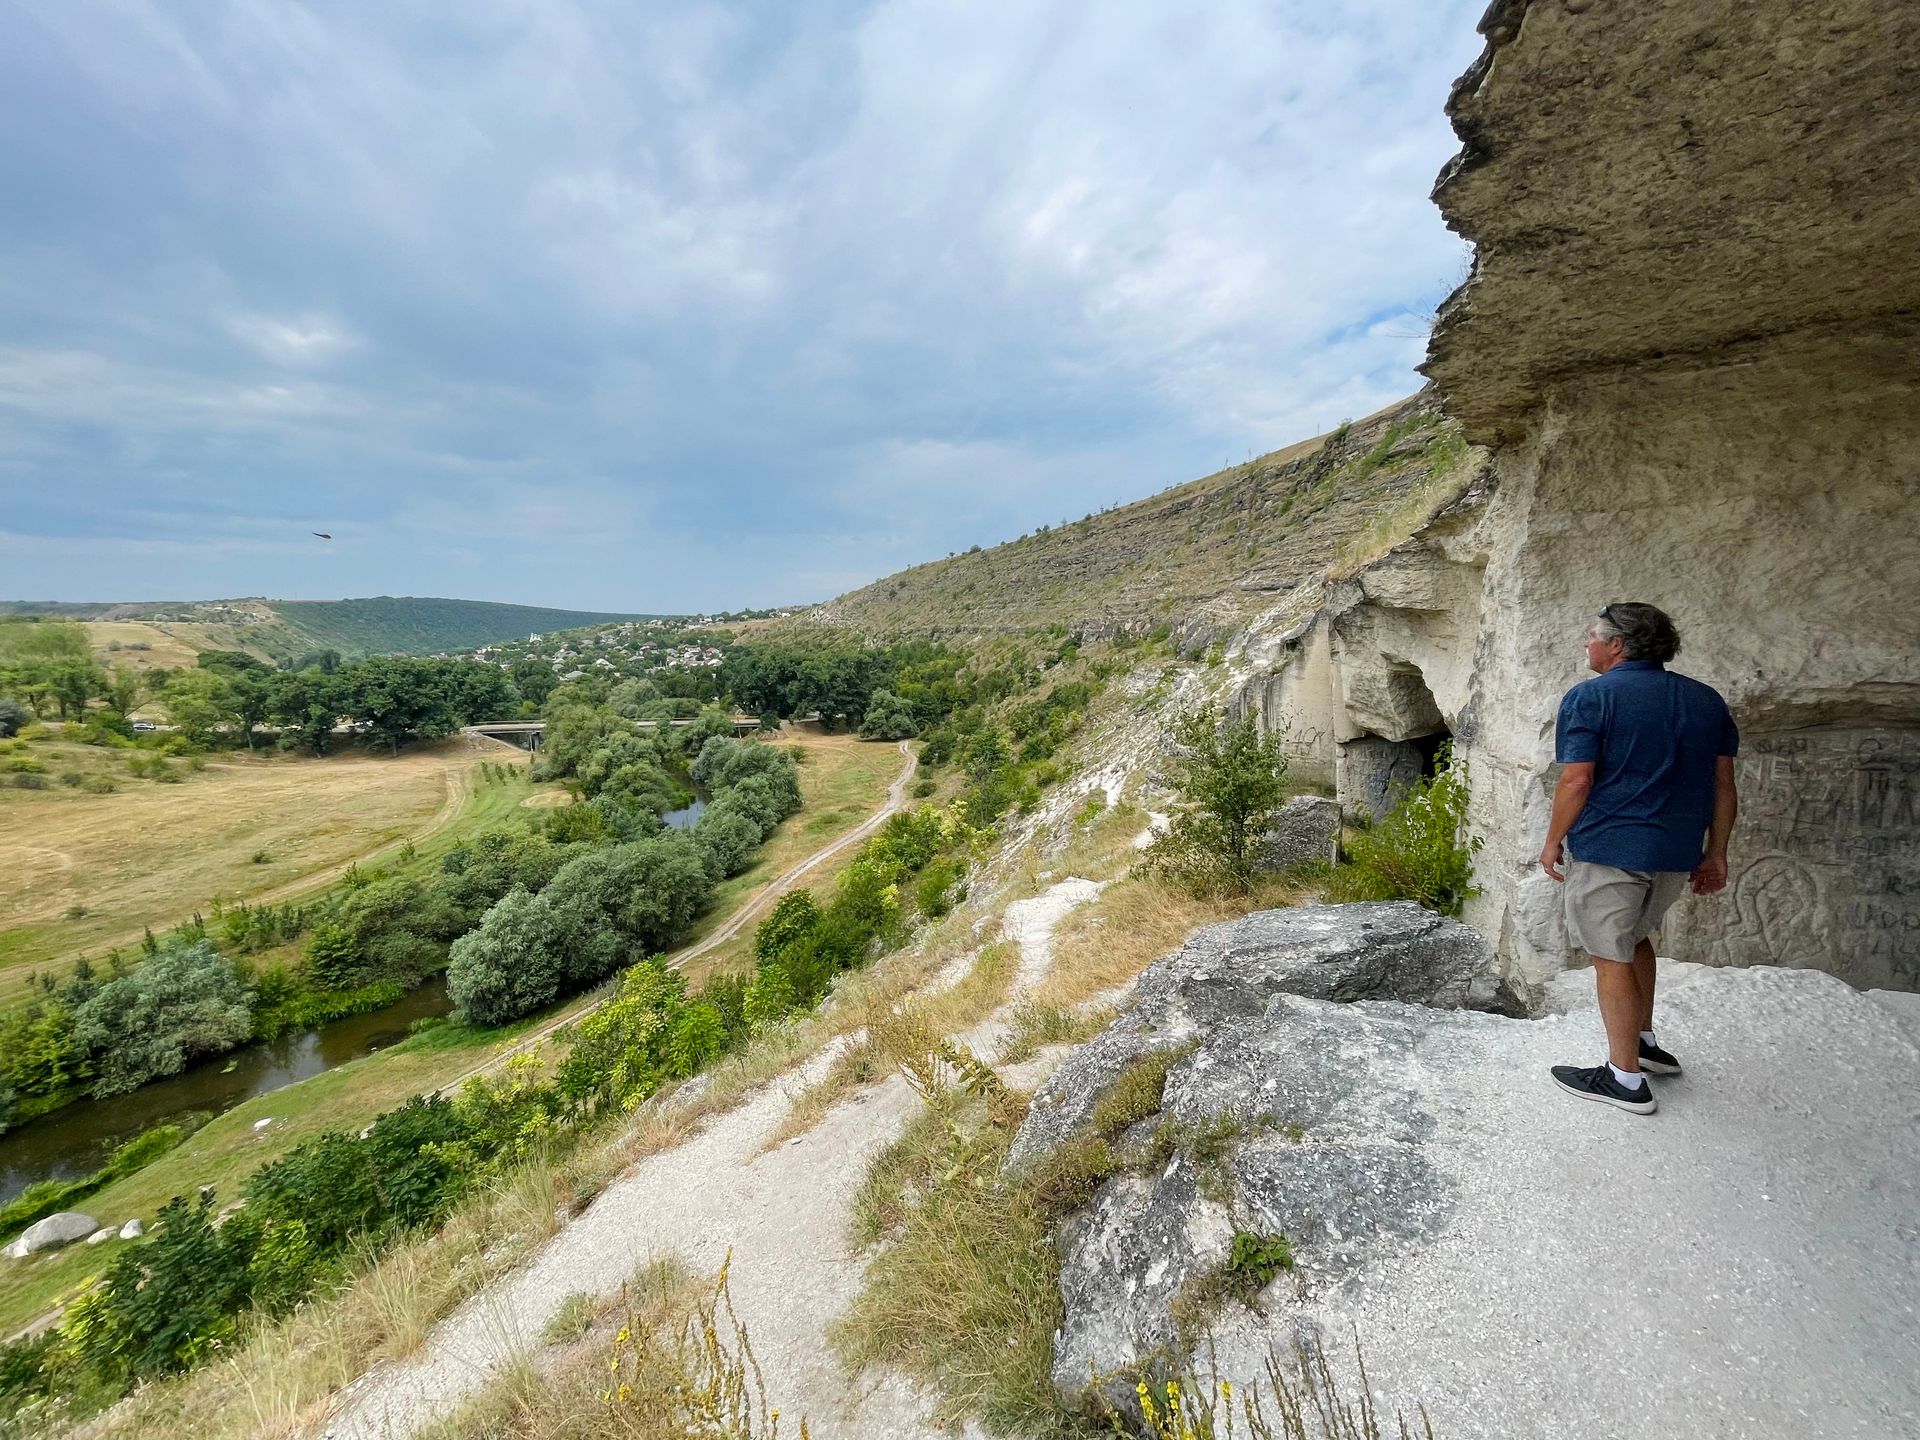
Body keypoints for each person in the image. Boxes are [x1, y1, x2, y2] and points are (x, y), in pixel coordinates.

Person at [1539, 603, 1739, 1115]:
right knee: (1635, 939)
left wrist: (1552, 839)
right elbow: (1723, 783)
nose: (1586, 645)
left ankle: (1624, 1078)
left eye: (1592, 636)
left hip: (1610, 848)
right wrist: (1716, 852)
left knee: (1609, 955)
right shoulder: (1705, 700)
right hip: (1675, 851)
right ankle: (1644, 1043)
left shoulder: (1590, 698)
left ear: (1617, 646)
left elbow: (1577, 780)